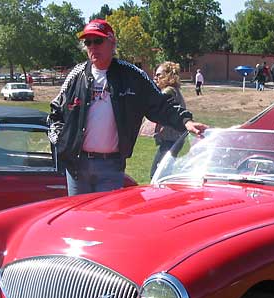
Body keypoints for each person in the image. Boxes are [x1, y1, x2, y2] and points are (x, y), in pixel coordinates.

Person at [48, 19, 207, 195]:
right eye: (88, 42)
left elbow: (160, 104)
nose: (93, 46)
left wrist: (186, 121)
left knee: (106, 220)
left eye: (98, 41)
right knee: (78, 219)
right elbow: (56, 112)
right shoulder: (76, 75)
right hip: (77, 167)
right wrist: (62, 143)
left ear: (112, 43)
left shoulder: (132, 75)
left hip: (111, 167)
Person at [150, 61, 188, 178]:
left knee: (157, 175)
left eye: (158, 75)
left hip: (171, 139)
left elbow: (156, 106)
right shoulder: (174, 90)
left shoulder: (168, 91)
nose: (155, 78)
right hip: (174, 138)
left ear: (168, 76)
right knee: (163, 173)